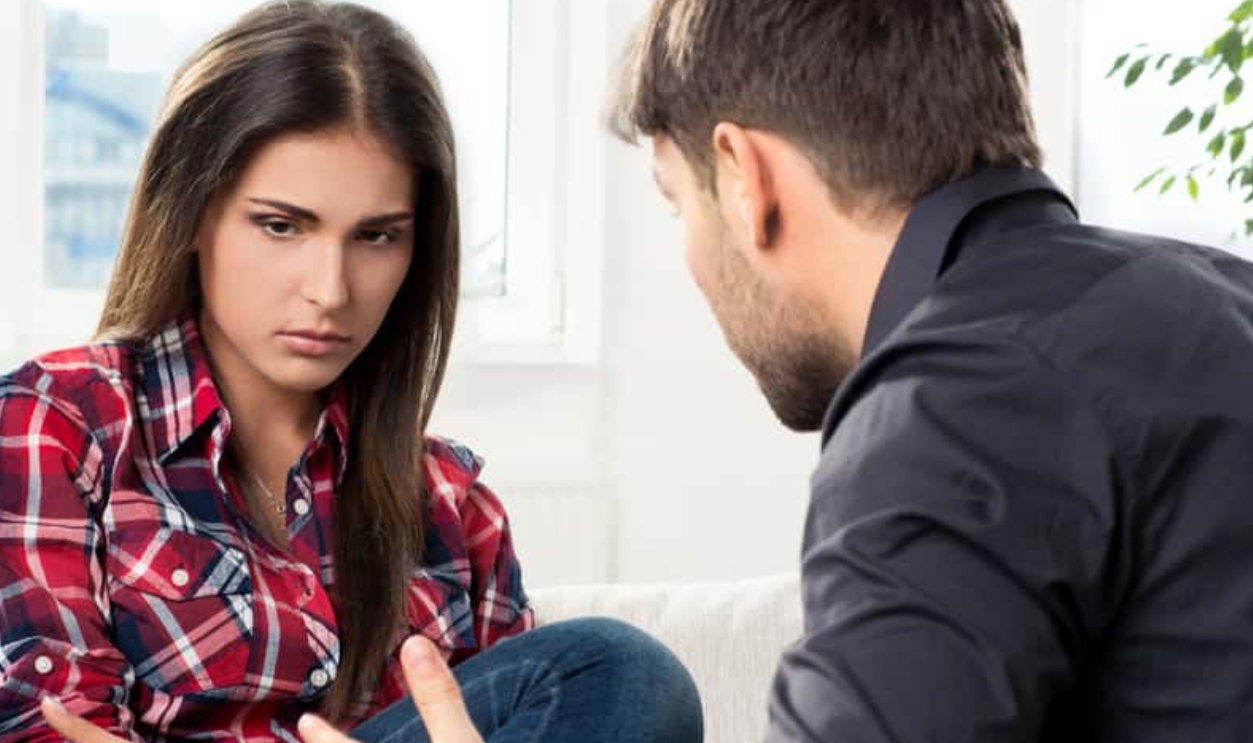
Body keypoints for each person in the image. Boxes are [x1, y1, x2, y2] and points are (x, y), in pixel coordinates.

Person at [0, 2, 701, 742]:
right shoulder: (58, 421)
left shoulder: (456, 507)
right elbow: (47, 729)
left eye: (375, 236)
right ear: (193, 212)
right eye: (280, 225)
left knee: (621, 673)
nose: (330, 290)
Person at [601, 0, 1253, 740]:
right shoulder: (1225, 295)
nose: (689, 258)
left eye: (675, 203)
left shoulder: (950, 407)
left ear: (744, 176)